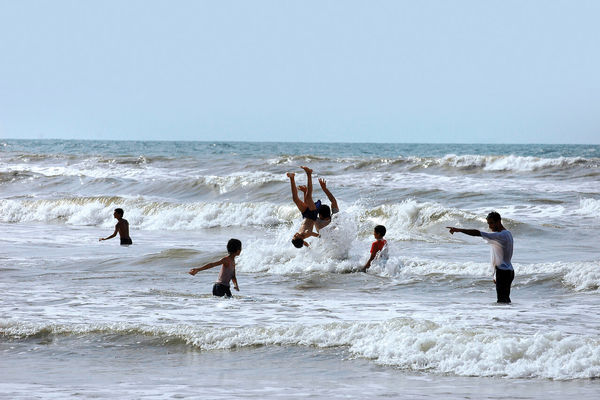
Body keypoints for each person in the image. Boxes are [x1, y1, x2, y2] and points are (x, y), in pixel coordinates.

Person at [447, 211, 514, 303]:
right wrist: (495, 275)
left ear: (499, 222)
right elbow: (499, 255)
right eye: (488, 223)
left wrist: (459, 230)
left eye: (491, 223)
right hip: (508, 271)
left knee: (502, 301)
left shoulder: (500, 235)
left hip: (502, 272)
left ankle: (504, 316)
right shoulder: (508, 233)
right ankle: (511, 316)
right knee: (505, 299)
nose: (490, 226)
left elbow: (477, 233)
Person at [288, 166, 320, 248]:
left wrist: (309, 247)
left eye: (294, 236)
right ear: (299, 238)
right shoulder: (307, 233)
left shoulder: (301, 238)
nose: (295, 234)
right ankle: (309, 173)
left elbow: (304, 243)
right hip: (312, 214)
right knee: (309, 197)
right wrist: (323, 238)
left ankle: (292, 178)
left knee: (295, 199)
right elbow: (315, 235)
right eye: (295, 236)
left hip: (305, 214)